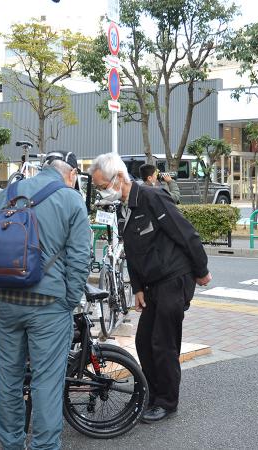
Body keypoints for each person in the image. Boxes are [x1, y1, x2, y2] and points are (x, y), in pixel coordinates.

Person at [88, 153, 211, 424]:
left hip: (174, 277)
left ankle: (167, 402)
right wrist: (139, 288)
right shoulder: (123, 208)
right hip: (153, 284)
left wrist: (201, 271)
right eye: (97, 188)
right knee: (144, 341)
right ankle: (153, 395)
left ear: (119, 178)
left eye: (101, 186)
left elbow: (185, 233)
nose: (101, 191)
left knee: (163, 342)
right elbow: (132, 252)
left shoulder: (153, 198)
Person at [0, 151, 91, 450]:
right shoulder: (71, 200)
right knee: (46, 382)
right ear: (71, 174)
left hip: (6, 297)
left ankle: (11, 443)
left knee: (7, 379)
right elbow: (79, 259)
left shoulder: (7, 193)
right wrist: (69, 300)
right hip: (48, 305)